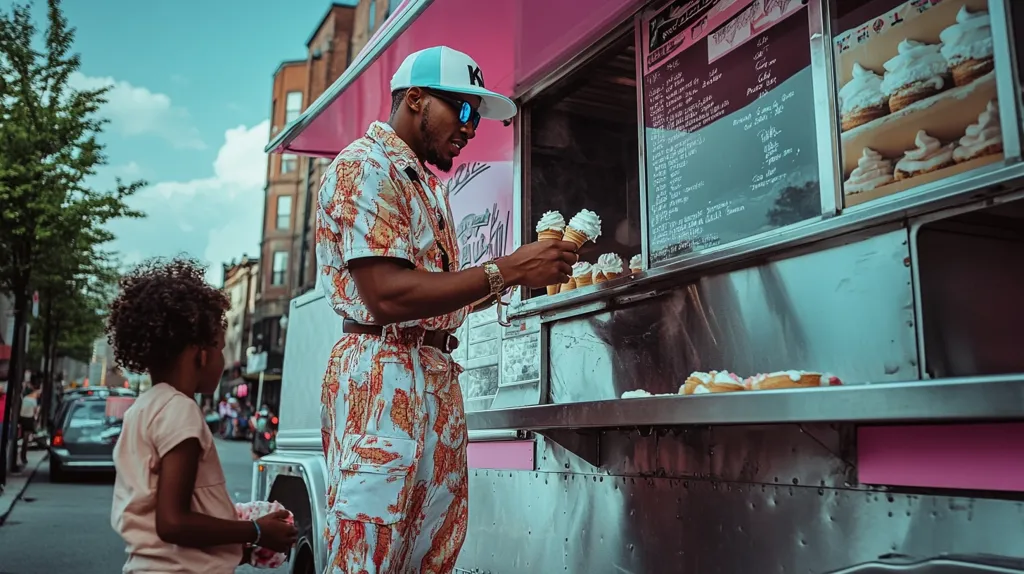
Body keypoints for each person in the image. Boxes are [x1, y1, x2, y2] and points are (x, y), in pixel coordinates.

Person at [315, 46, 578, 573]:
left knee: (432, 553)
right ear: (414, 98)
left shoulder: (425, 184)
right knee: (367, 555)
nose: (472, 127)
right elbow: (387, 295)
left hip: (433, 376)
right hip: (382, 377)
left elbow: (433, 300)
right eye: (462, 109)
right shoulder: (366, 166)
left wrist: (523, 272)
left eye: (477, 116)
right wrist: (510, 268)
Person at [105, 258, 297, 573]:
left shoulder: (142, 408)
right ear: (201, 354)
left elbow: (162, 523)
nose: (222, 359)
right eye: (221, 348)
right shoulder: (181, 410)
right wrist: (258, 531)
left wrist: (241, 549)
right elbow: (173, 522)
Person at [18, 382, 39, 466]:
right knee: (26, 439)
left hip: (23, 418)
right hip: (29, 419)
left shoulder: (25, 398)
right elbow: (35, 411)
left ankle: (22, 455)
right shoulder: (33, 400)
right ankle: (23, 456)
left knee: (24, 438)